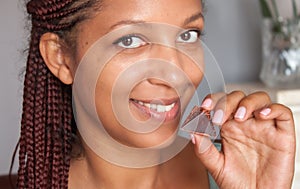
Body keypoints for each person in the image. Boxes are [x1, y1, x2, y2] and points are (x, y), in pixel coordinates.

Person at [15, 0, 296, 188]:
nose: (176, 74)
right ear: (61, 58)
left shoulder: (229, 171)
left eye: (188, 35)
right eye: (130, 40)